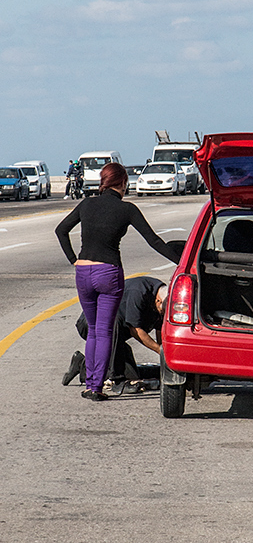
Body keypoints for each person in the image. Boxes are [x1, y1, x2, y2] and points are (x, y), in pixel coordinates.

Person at [55, 162, 179, 402]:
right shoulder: (127, 209)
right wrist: (182, 261)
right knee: (103, 332)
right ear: (122, 183)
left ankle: (91, 381)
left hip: (84, 272)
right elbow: (154, 241)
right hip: (108, 274)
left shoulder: (87, 204)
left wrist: (74, 260)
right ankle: (95, 388)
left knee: (93, 331)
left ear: (103, 181)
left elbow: (61, 230)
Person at [63, 277, 167, 395]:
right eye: (162, 311)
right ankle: (117, 381)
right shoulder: (138, 292)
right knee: (122, 372)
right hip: (94, 324)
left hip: (117, 336)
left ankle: (83, 363)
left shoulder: (163, 297)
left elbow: (161, 327)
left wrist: (166, 354)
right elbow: (135, 330)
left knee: (134, 376)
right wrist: (160, 351)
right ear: (158, 301)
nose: (162, 314)